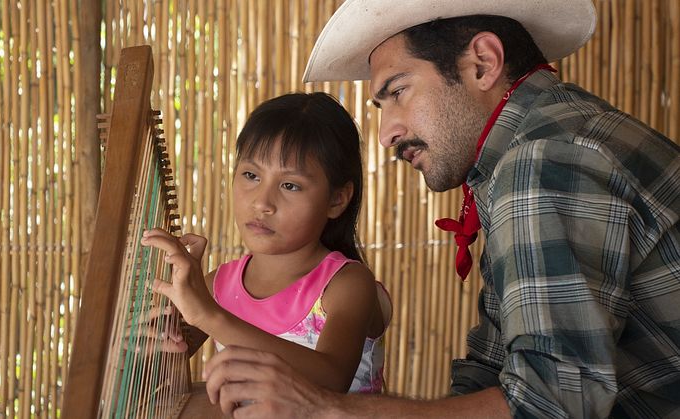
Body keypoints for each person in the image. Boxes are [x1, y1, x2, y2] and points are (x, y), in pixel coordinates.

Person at [201, 0, 680, 418]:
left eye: (399, 91)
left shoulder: (547, 160)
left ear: (482, 63)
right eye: (380, 107)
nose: (387, 132)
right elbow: (491, 369)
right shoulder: (528, 151)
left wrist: (325, 408)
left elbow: (550, 406)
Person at [141, 92, 392, 395]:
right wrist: (162, 343)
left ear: (337, 199)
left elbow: (331, 378)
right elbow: (167, 388)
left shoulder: (347, 284)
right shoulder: (217, 287)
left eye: (290, 185)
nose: (262, 202)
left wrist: (208, 315)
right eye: (251, 175)